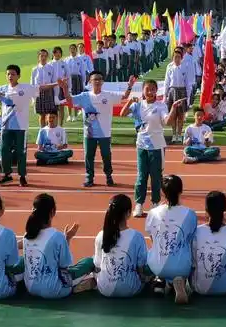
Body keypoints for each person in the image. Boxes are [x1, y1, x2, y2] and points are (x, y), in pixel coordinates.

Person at [0, 64, 64, 187]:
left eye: (13, 74)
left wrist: (56, 84)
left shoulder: (26, 88)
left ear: (18, 76)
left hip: (21, 127)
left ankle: (22, 176)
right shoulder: (4, 89)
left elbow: (41, 87)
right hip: (6, 127)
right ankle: (7, 175)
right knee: (5, 151)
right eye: (8, 74)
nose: (10, 76)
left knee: (21, 152)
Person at [120, 79, 182, 218]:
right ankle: (139, 204)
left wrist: (173, 108)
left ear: (156, 91)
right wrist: (130, 102)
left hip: (157, 146)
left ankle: (155, 204)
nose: (150, 92)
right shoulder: (138, 105)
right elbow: (122, 114)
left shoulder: (161, 106)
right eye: (147, 89)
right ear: (143, 90)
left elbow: (167, 122)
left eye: (153, 89)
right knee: (141, 176)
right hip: (141, 145)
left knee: (156, 177)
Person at [61, 71, 133, 187]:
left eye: (100, 79)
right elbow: (70, 100)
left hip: (105, 133)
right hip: (89, 133)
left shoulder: (108, 95)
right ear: (90, 81)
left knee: (106, 156)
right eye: (95, 79)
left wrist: (130, 86)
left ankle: (109, 177)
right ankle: (89, 177)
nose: (98, 81)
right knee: (89, 156)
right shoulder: (84, 96)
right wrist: (64, 88)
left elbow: (124, 96)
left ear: (103, 81)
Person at [21, 193, 96, 299]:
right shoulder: (57, 236)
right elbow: (66, 265)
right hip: (54, 290)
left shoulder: (27, 235)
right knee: (89, 262)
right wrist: (67, 239)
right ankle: (77, 286)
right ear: (52, 212)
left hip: (31, 288)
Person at [145, 175, 197, 304]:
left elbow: (153, 239)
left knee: (153, 250)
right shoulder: (189, 214)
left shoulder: (153, 213)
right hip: (182, 267)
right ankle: (178, 281)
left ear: (163, 192)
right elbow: (190, 240)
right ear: (181, 191)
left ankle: (162, 281)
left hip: (156, 266)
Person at [190, 191, 226, 295]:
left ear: (206, 209)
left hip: (199, 288)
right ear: (225, 209)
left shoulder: (196, 232)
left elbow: (192, 264)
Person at [94, 194, 148, 298]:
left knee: (89, 261)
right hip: (130, 289)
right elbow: (141, 268)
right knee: (151, 261)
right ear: (128, 213)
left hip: (104, 289)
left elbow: (98, 266)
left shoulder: (101, 235)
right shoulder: (137, 236)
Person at [163, 48, 192, 142]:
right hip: (172, 91)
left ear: (181, 58)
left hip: (182, 91)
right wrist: (165, 95)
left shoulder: (185, 66)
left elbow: (188, 82)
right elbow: (166, 82)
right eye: (175, 57)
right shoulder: (169, 66)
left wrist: (188, 97)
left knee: (180, 115)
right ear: (172, 58)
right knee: (173, 115)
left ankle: (179, 134)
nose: (177, 59)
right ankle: (174, 134)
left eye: (179, 57)